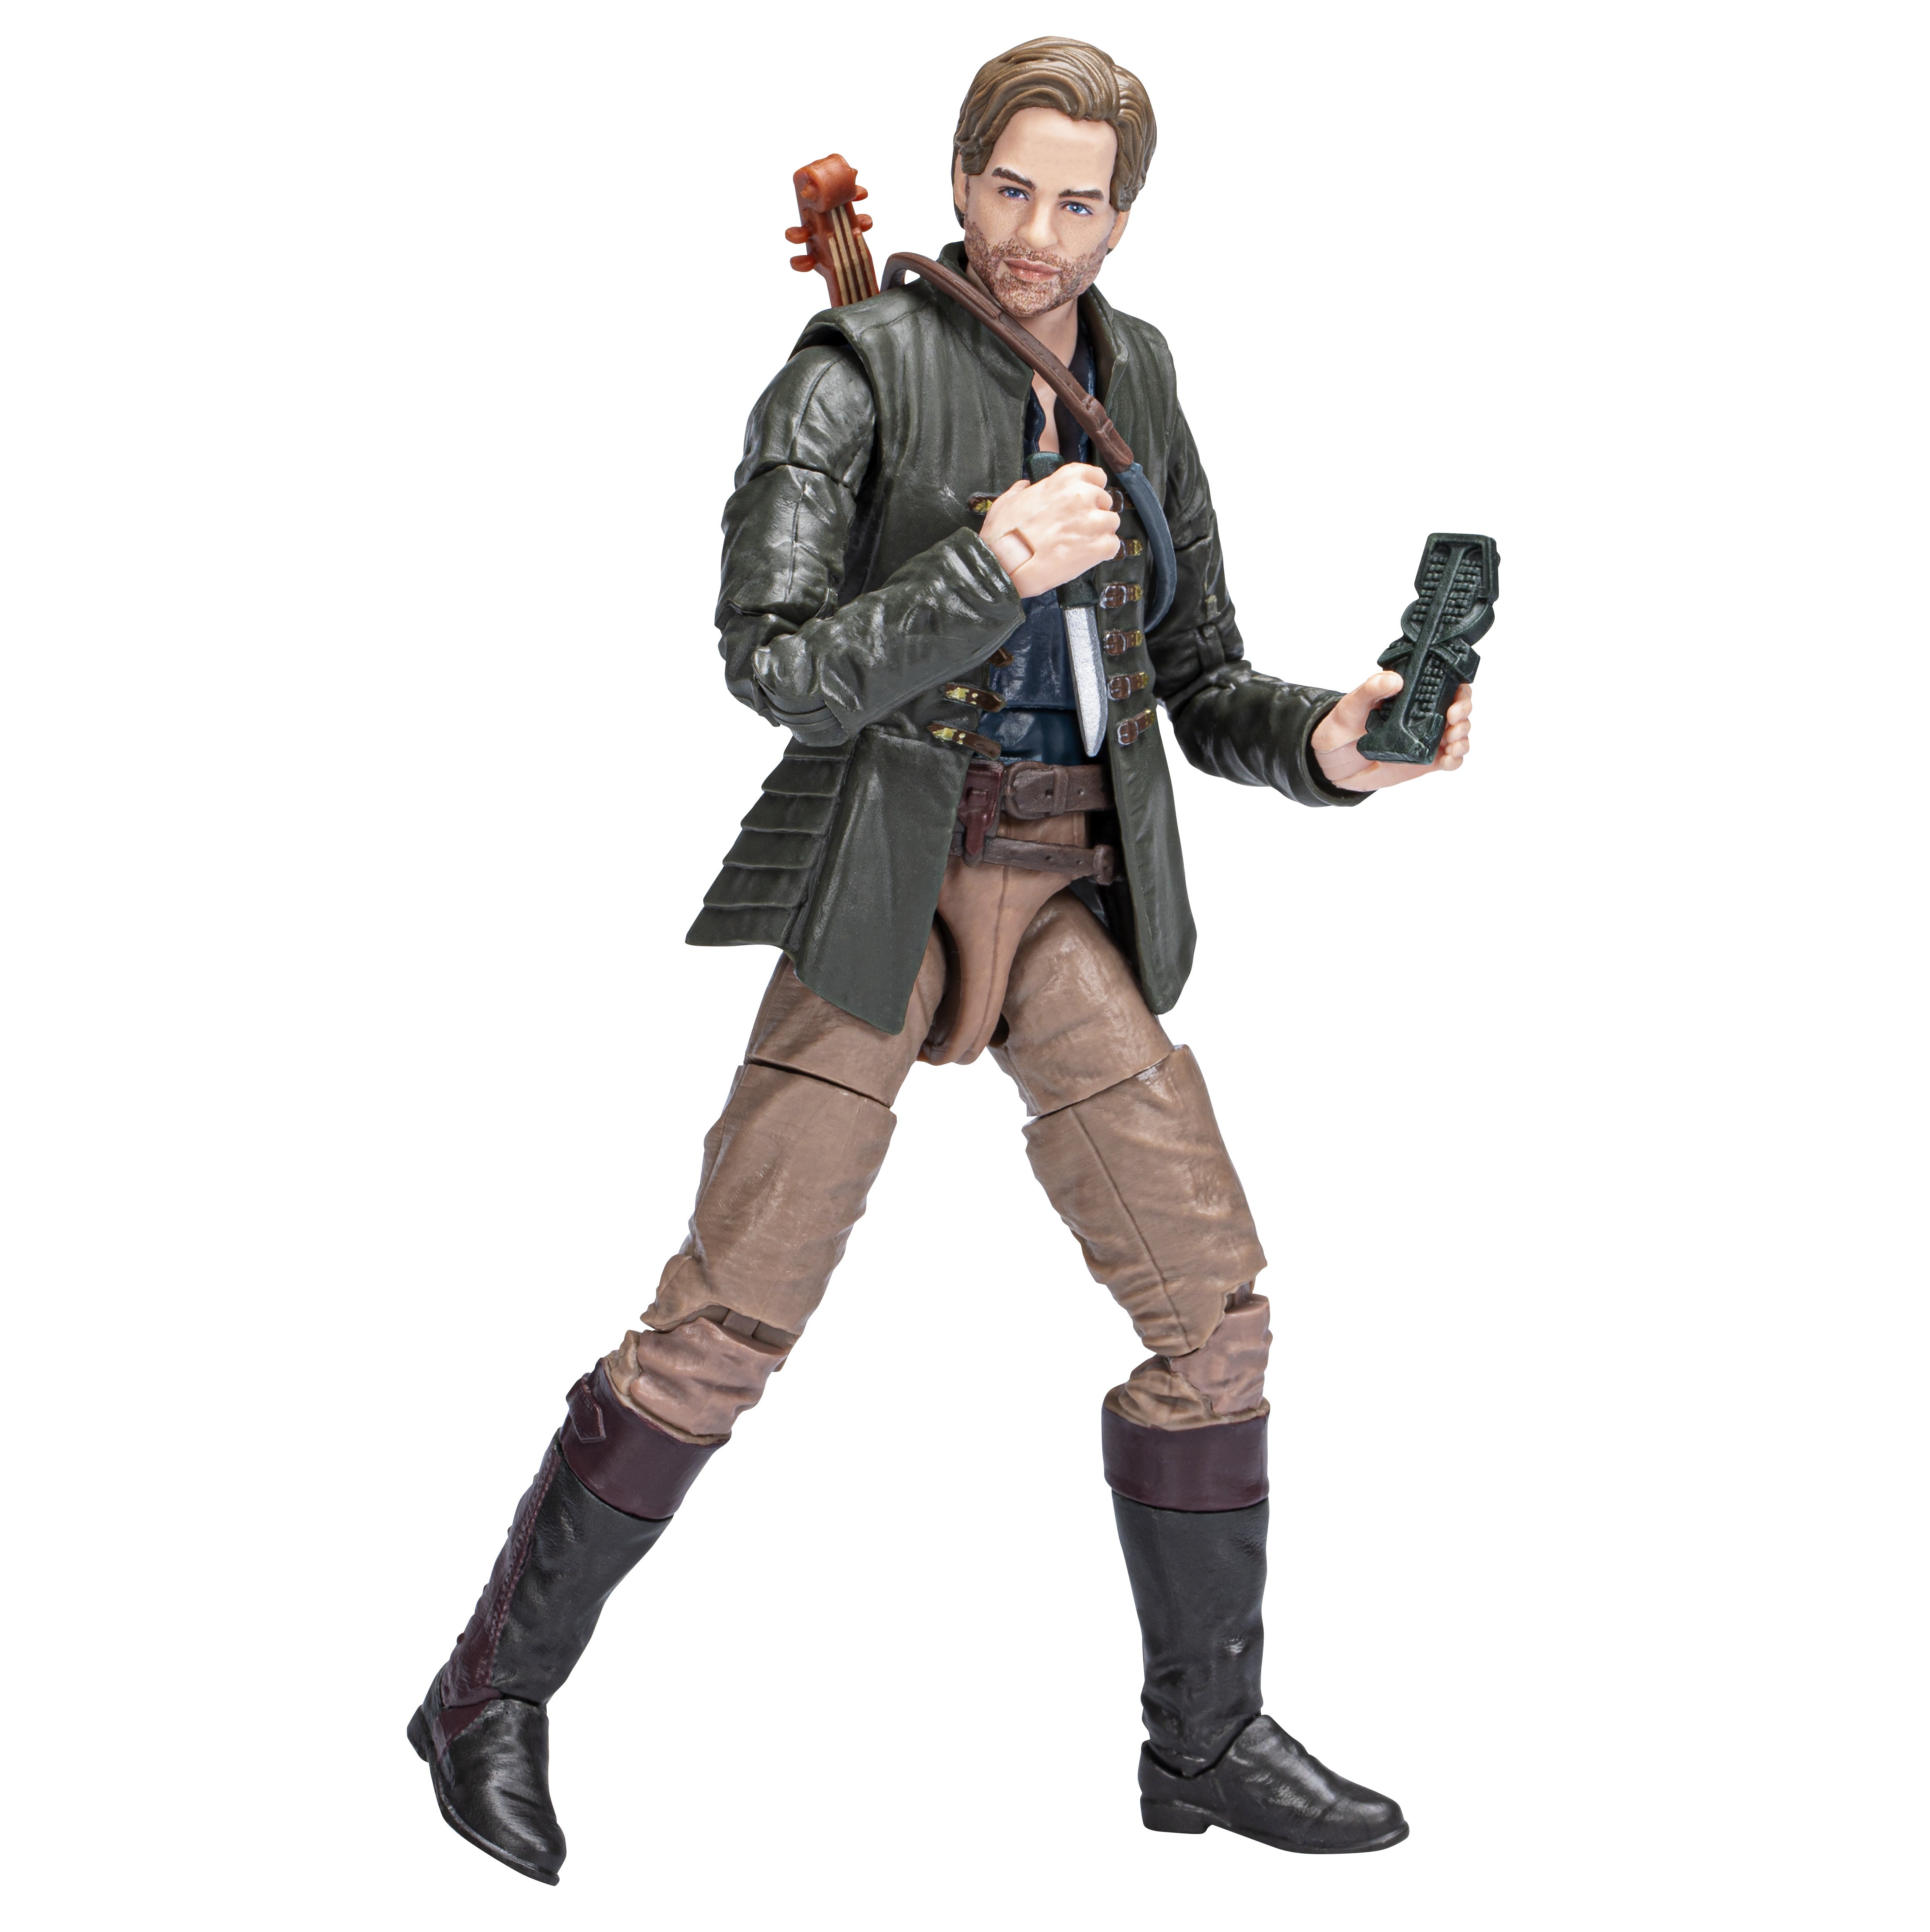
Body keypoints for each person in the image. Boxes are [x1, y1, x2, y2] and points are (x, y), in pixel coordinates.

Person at [409, 36, 1474, 1883]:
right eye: (1009, 187)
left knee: (1214, 1317)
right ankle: (487, 1692)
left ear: (1124, 217)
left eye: (1081, 202)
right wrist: (987, 566)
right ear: (962, 177)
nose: (1039, 232)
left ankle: (1203, 1737)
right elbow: (772, 661)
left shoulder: (1142, 377)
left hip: (1064, 887)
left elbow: (1198, 671)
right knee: (725, 1323)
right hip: (883, 884)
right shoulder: (850, 368)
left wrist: (1330, 743)